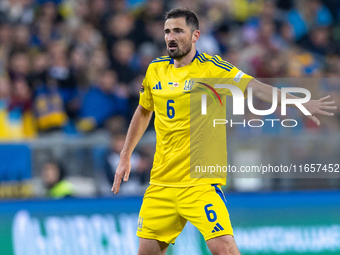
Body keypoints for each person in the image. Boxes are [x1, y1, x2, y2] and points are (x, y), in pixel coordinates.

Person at [112, 8, 336, 255]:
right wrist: (125, 154)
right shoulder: (156, 70)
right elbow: (144, 111)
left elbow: (258, 89)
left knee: (224, 248)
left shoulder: (212, 69)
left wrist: (300, 102)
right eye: (167, 31)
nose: (170, 37)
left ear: (195, 35)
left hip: (200, 184)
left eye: (178, 31)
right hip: (161, 183)